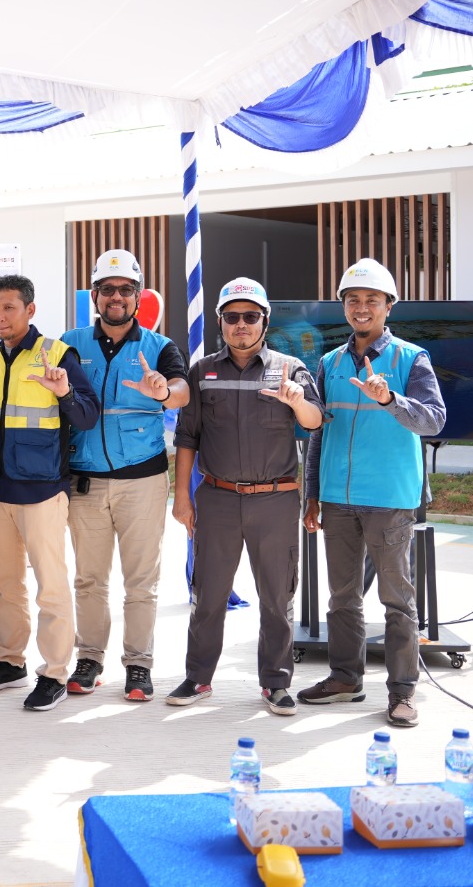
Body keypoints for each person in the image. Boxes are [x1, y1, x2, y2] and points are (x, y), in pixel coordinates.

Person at [298, 259, 446, 728]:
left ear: (388, 307)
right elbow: (319, 433)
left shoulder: (411, 358)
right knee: (342, 597)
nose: (361, 307)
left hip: (390, 498)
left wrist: (390, 399)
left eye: (372, 300)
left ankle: (402, 692)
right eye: (353, 300)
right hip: (338, 499)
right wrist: (311, 494)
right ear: (344, 306)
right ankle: (345, 678)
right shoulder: (329, 363)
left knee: (397, 599)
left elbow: (434, 420)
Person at [167, 277, 323, 716]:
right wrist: (181, 497)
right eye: (232, 316)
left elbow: (314, 422)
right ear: (220, 322)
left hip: (275, 500)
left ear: (264, 321)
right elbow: (187, 436)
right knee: (208, 594)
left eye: (250, 316)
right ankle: (198, 678)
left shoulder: (290, 368)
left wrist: (296, 402)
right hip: (216, 499)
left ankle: (275, 682)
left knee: (277, 597)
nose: (241, 324)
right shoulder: (202, 372)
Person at [60, 250, 189, 702]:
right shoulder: (70, 343)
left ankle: (138, 664)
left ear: (138, 295)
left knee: (141, 582)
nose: (116, 297)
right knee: (89, 579)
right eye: (108, 289)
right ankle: (89, 659)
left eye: (126, 289)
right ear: (95, 295)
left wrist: (164, 390)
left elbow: (181, 391)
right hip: (85, 481)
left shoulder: (159, 346)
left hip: (143, 482)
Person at [0, 274, 101, 712]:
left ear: (30, 310)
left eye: (8, 307)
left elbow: (87, 416)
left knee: (51, 585)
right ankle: (10, 661)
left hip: (42, 489)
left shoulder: (57, 354)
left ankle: (55, 672)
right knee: (4, 583)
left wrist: (64, 391)